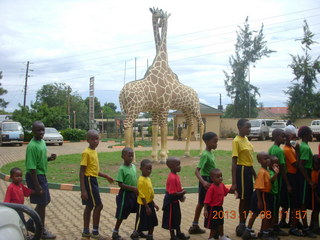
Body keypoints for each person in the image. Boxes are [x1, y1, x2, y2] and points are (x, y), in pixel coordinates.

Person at [80, 129, 114, 240]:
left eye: (97, 139)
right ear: (88, 140)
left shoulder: (94, 151)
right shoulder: (86, 153)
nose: (95, 141)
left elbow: (94, 170)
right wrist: (83, 190)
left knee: (90, 205)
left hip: (93, 179)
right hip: (89, 181)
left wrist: (106, 176)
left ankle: (86, 231)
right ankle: (94, 232)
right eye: (93, 139)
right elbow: (82, 172)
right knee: (99, 205)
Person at [25, 121, 57, 239]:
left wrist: (49, 159)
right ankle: (41, 230)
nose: (41, 132)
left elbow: (41, 159)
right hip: (35, 177)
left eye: (43, 130)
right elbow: (32, 168)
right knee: (42, 203)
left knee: (45, 201)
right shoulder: (32, 146)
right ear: (33, 131)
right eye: (38, 130)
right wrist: (37, 186)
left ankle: (30, 223)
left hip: (42, 175)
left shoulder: (42, 142)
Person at [242, 152, 279, 240]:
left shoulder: (266, 171)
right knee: (266, 215)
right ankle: (265, 235)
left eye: (268, 158)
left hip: (263, 195)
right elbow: (258, 187)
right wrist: (259, 200)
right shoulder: (262, 172)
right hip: (261, 195)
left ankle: (248, 232)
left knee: (256, 213)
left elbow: (269, 181)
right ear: (259, 161)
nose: (268, 160)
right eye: (265, 159)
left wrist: (276, 173)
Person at [230, 119, 256, 237]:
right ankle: (241, 224)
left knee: (248, 198)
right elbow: (234, 162)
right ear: (239, 127)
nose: (249, 129)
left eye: (250, 127)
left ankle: (244, 224)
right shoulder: (236, 141)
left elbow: (250, 159)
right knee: (243, 199)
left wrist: (255, 174)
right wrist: (234, 182)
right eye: (247, 127)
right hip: (242, 171)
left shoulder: (246, 139)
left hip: (249, 170)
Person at [189, 132, 218, 234]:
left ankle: (200, 225)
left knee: (207, 203)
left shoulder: (211, 153)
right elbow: (197, 171)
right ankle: (195, 225)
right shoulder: (205, 154)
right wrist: (204, 182)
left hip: (211, 181)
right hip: (206, 181)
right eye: (214, 142)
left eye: (217, 142)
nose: (216, 144)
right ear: (206, 142)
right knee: (202, 203)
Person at [112, 147, 138, 240]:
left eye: (132, 155)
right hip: (125, 195)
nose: (131, 157)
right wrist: (132, 188)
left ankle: (136, 231)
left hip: (134, 194)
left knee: (138, 211)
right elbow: (120, 184)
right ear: (123, 156)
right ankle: (115, 232)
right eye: (129, 155)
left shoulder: (134, 167)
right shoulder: (122, 169)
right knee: (121, 214)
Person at [162, 157, 190, 240]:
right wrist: (182, 193)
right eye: (178, 165)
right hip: (170, 202)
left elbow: (178, 189)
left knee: (177, 217)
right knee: (171, 218)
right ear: (171, 166)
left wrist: (181, 195)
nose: (180, 167)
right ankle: (172, 236)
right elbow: (172, 193)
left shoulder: (176, 176)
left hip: (175, 201)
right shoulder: (172, 178)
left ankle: (179, 233)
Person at [131, 159, 159, 240]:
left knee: (152, 221)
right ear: (141, 169)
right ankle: (135, 234)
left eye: (150, 169)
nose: (149, 171)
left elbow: (149, 194)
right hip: (143, 205)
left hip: (150, 203)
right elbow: (142, 195)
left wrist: (154, 204)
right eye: (147, 169)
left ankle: (150, 236)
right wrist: (146, 207)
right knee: (141, 221)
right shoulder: (141, 180)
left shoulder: (148, 178)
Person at [268, 129, 289, 236]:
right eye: (282, 137)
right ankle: (274, 227)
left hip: (271, 180)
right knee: (276, 205)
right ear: (276, 137)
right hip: (278, 180)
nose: (284, 139)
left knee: (273, 205)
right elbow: (282, 169)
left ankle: (272, 226)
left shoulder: (271, 148)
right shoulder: (279, 151)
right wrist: (288, 184)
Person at [203, 168, 235, 240]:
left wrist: (234, 191)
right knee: (213, 225)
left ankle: (222, 236)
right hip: (212, 209)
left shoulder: (222, 185)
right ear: (212, 178)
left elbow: (227, 191)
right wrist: (205, 210)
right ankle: (210, 237)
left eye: (221, 176)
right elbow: (206, 201)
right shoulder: (211, 188)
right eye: (217, 177)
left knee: (221, 222)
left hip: (220, 207)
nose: (220, 178)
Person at [297, 126, 317, 237]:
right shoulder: (305, 147)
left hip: (305, 175)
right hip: (304, 177)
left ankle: (306, 226)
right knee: (303, 204)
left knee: (303, 203)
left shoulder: (304, 146)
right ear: (305, 135)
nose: (312, 135)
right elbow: (301, 166)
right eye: (310, 133)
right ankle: (305, 228)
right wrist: (309, 181)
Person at [283, 126, 303, 236]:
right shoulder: (287, 150)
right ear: (287, 138)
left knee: (294, 203)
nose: (294, 140)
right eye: (292, 137)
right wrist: (298, 151)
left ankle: (293, 222)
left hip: (293, 176)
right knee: (296, 203)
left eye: (295, 138)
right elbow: (296, 165)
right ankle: (293, 227)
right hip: (292, 176)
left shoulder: (290, 148)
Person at [310, 154, 320, 234]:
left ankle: (312, 225)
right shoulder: (314, 173)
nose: (317, 165)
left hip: (318, 193)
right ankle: (315, 227)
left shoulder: (318, 172)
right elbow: (314, 186)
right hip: (315, 194)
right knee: (315, 211)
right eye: (315, 164)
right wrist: (316, 196)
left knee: (316, 210)